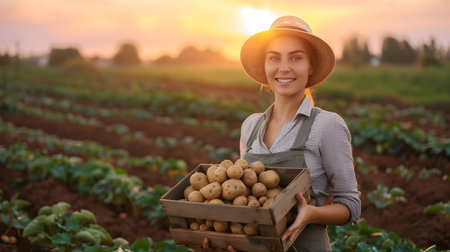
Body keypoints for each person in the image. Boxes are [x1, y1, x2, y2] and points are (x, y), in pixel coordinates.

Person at [203, 15, 360, 252]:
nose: (284, 67)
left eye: (296, 58)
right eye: (274, 58)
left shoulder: (327, 125)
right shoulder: (251, 125)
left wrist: (310, 214)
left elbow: (350, 205)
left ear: (311, 66)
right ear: (265, 65)